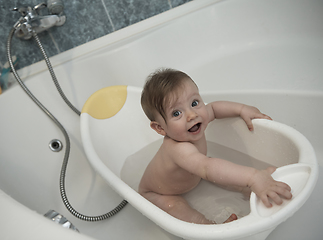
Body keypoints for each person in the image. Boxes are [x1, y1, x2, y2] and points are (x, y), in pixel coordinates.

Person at [138, 68, 292, 224]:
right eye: (177, 113)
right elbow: (206, 168)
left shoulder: (195, 119)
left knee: (218, 170)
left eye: (194, 103)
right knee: (175, 205)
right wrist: (253, 176)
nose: (192, 115)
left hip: (195, 174)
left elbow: (213, 108)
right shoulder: (177, 149)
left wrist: (241, 109)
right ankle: (209, 228)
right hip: (160, 194)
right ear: (160, 128)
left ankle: (245, 189)